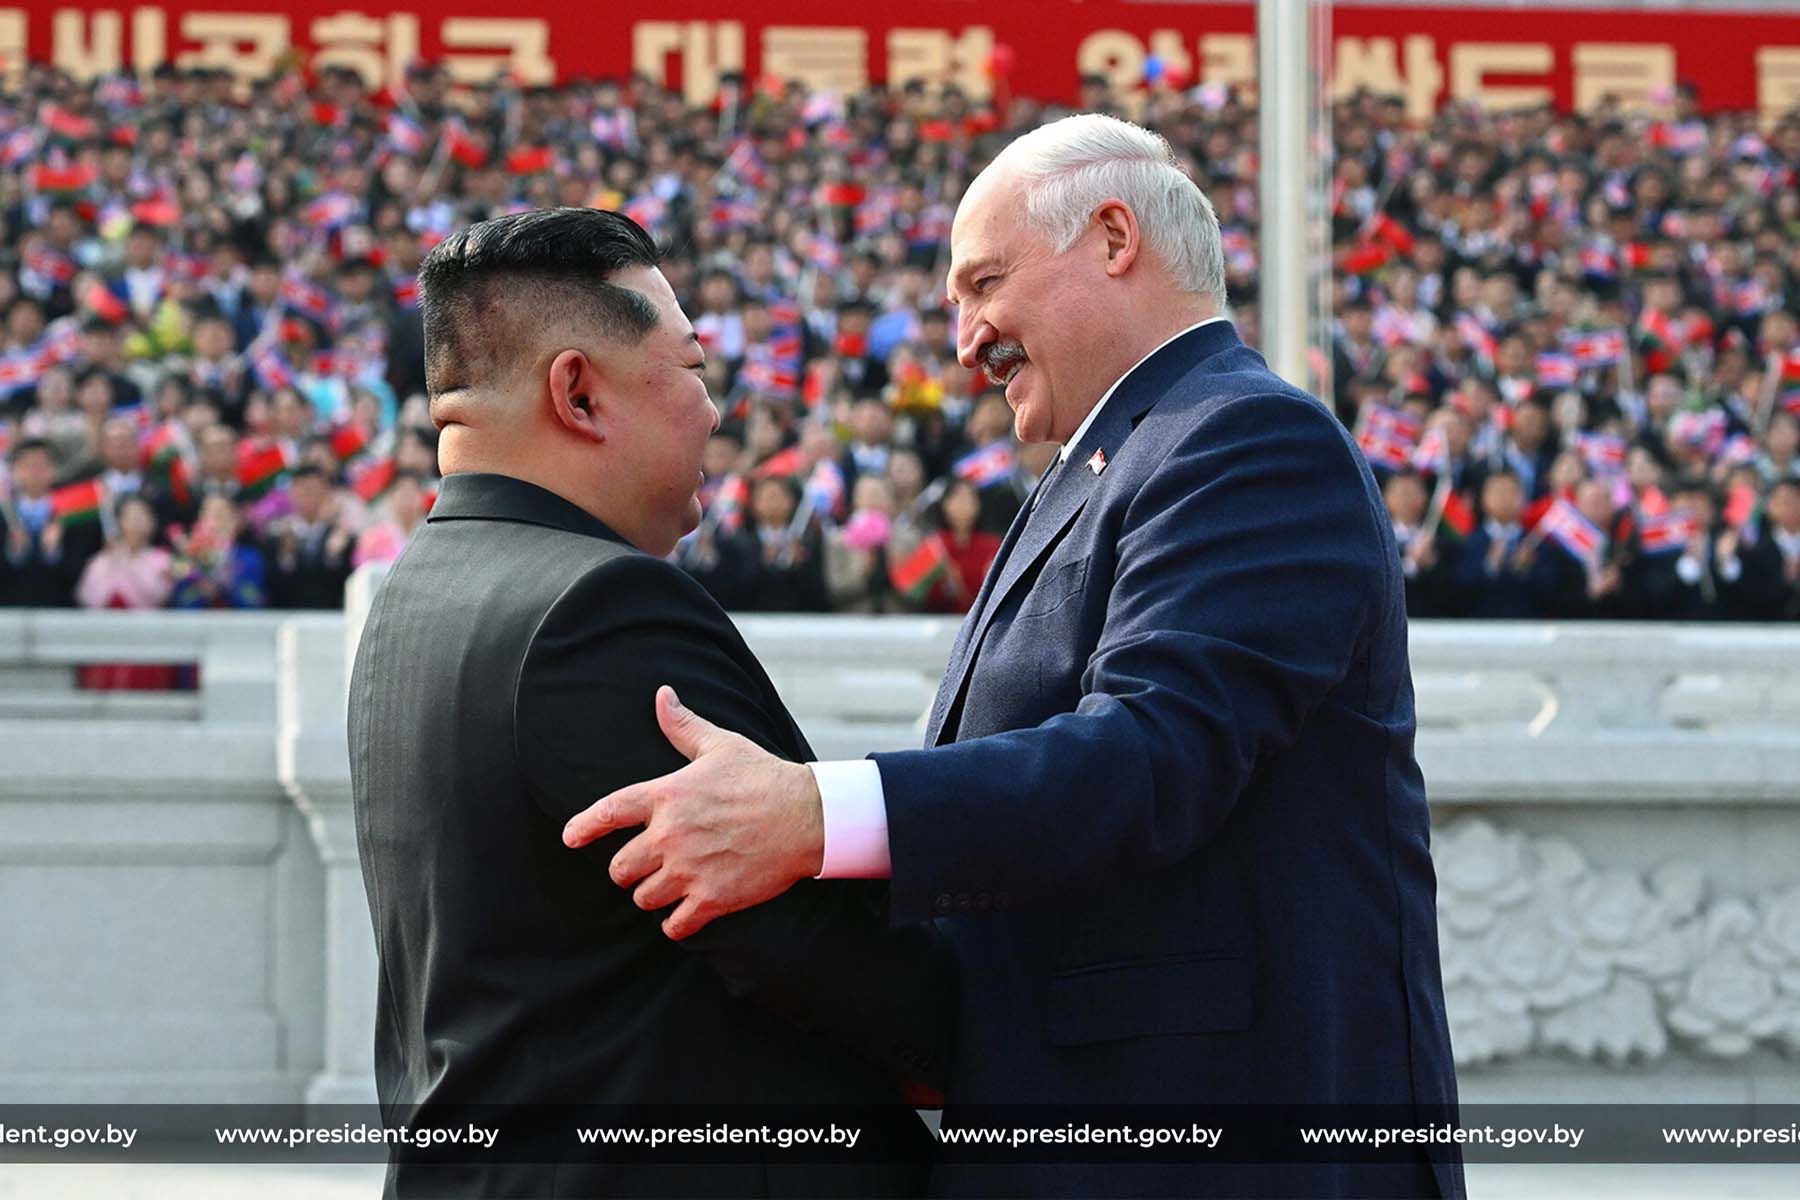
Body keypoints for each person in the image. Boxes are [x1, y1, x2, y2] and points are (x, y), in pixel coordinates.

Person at [564, 116, 1463, 1199]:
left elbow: (1151, 756)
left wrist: (811, 815)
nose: (965, 342)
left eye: (985, 284)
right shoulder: (1109, 458)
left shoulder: (1249, 441)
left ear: (1115, 238)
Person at [347, 208, 949, 1200]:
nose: (716, 413)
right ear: (578, 392)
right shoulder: (597, 606)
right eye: (694, 369)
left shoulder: (421, 588)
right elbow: (807, 942)